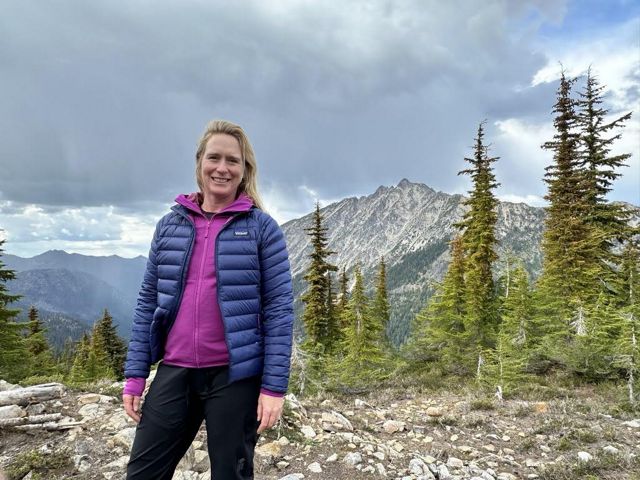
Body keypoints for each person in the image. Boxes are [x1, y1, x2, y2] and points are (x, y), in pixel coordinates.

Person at [122, 119, 294, 480]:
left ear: (244, 170)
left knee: (230, 474)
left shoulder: (262, 228)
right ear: (200, 162)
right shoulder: (170, 226)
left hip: (235, 376)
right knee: (142, 473)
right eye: (214, 157)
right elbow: (147, 302)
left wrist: (274, 388)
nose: (222, 168)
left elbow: (279, 311)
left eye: (233, 160)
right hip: (176, 369)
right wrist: (136, 375)